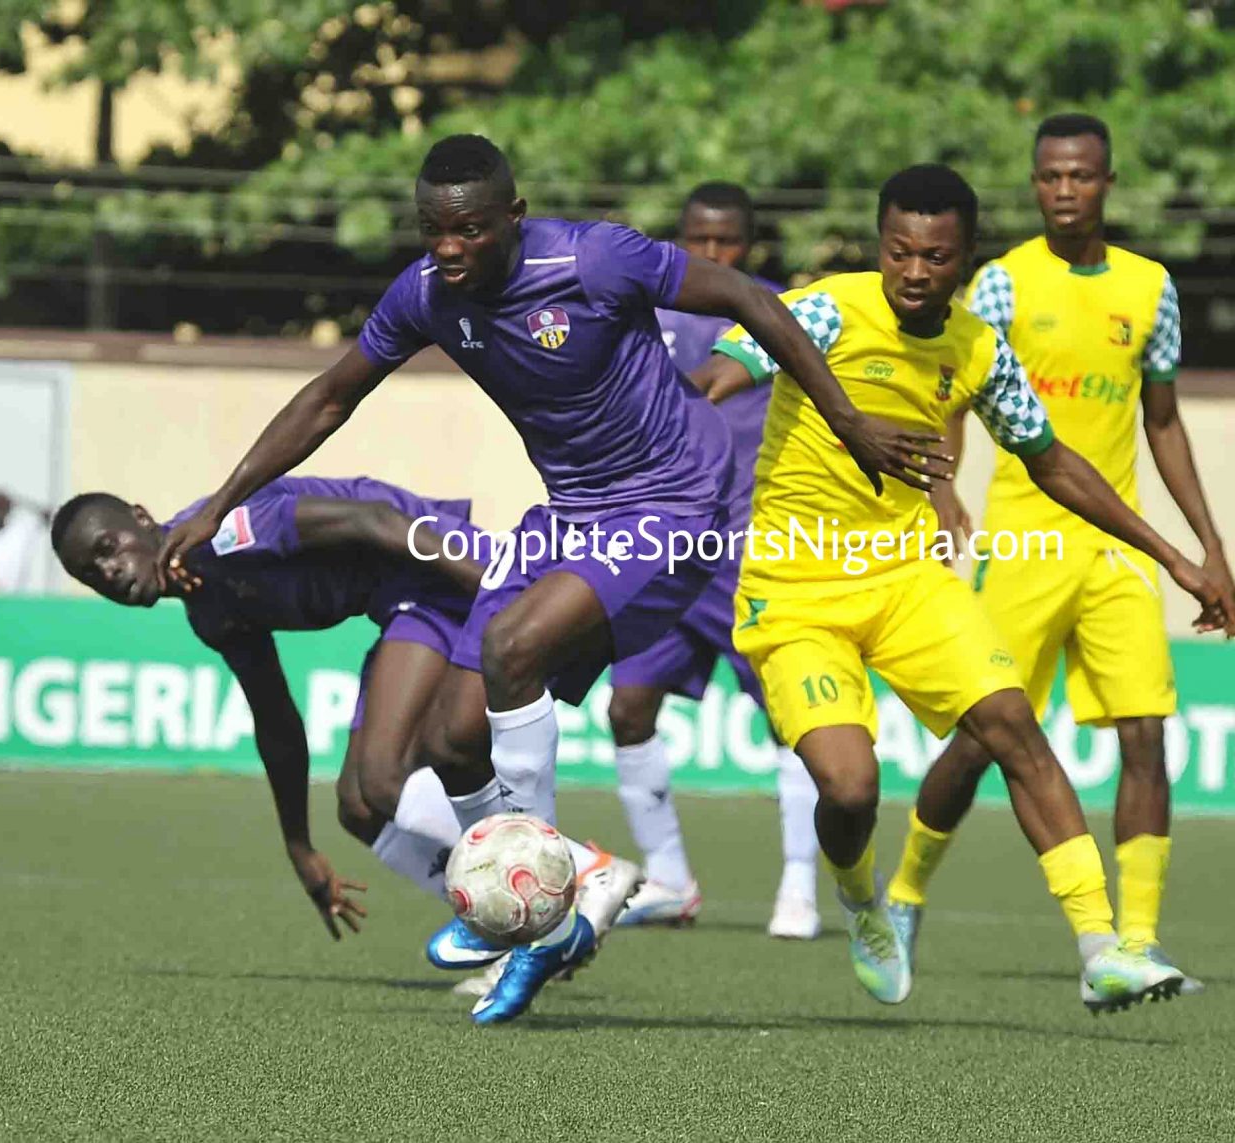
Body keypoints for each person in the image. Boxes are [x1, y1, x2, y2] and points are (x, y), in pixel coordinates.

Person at [154, 135, 942, 1025]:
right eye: (432, 230)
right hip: (571, 510)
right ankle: (539, 902)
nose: (448, 248)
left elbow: (751, 299)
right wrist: (221, 505)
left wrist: (848, 421)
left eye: (469, 230)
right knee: (452, 740)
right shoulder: (424, 294)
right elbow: (330, 397)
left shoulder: (595, 258)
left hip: (674, 494)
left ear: (514, 218)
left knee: (511, 645)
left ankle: (546, 911)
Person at [693, 164, 1234, 1011]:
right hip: (794, 591)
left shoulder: (979, 348)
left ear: (966, 256)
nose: (915, 272)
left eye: (936, 257)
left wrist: (1173, 555)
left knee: (1012, 723)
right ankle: (862, 897)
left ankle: (1102, 947)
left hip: (908, 581)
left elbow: (1053, 461)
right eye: (899, 251)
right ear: (880, 245)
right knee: (850, 787)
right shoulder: (826, 309)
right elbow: (717, 378)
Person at [887, 115, 1235, 993]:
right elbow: (953, 394)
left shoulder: (1151, 289)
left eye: (1080, 176)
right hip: (1023, 544)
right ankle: (904, 896)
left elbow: (1164, 422)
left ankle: (1136, 942)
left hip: (1114, 551)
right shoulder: (1003, 285)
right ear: (1036, 184)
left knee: (1146, 734)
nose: (1065, 190)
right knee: (981, 741)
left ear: (1107, 182)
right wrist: (941, 489)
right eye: (1050, 177)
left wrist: (1209, 544)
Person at [52, 477, 638, 978]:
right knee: (359, 808)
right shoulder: (209, 610)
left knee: (383, 778)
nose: (110, 572)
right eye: (91, 573)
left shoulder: (224, 533)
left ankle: (582, 873)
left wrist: (499, 589)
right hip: (404, 603)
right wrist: (299, 846)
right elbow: (277, 723)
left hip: (436, 570)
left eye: (108, 548)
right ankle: (520, 929)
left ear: (141, 518)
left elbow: (373, 520)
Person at [608, 181, 822, 939]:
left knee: (788, 716)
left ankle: (799, 885)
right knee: (628, 706)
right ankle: (669, 877)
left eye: (726, 241)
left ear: (748, 243)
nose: (712, 253)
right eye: (699, 240)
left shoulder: (773, 311)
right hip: (665, 547)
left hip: (748, 544)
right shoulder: (645, 312)